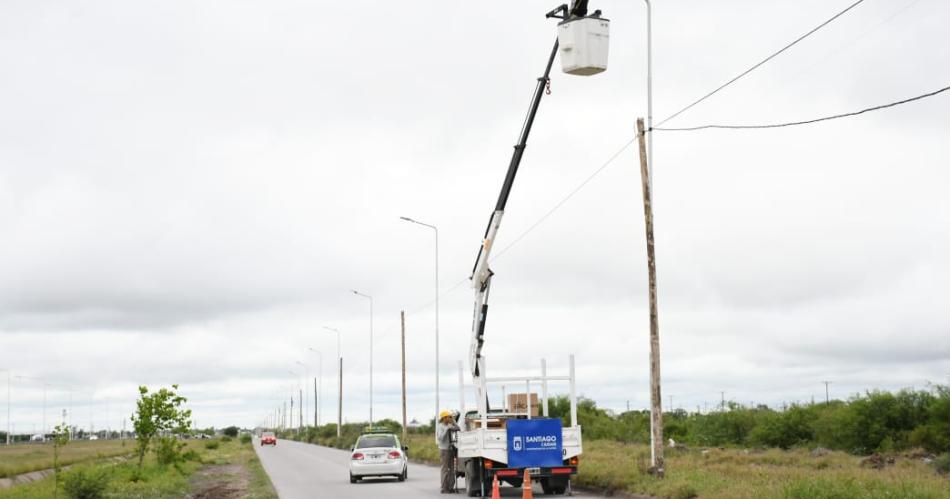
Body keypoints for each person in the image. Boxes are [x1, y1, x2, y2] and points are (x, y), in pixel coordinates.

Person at [436, 410, 459, 493]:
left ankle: (450, 487)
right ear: (444, 418)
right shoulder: (440, 426)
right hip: (444, 450)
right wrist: (446, 429)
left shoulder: (450, 424)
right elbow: (440, 438)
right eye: (448, 417)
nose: (450, 418)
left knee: (452, 469)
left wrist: (454, 422)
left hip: (451, 449)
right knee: (445, 469)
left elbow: (458, 428)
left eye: (450, 417)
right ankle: (444, 488)